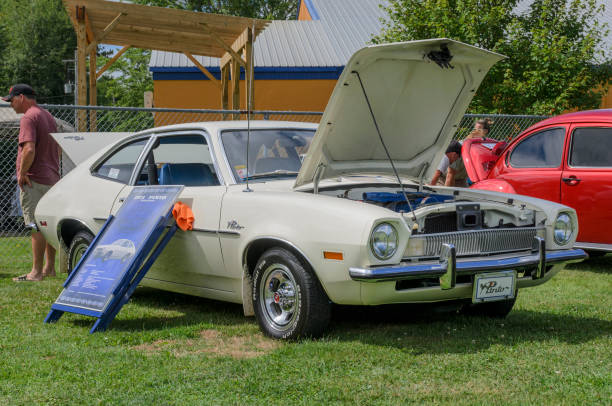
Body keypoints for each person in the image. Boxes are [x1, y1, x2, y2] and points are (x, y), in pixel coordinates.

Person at [3, 84, 60, 281]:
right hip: (52, 177)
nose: (11, 105)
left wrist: (22, 172)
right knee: (47, 223)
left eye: (11, 100)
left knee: (35, 225)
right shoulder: (47, 116)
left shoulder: (28, 117)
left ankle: (35, 272)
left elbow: (28, 149)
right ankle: (49, 268)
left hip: (34, 178)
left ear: (21, 97)